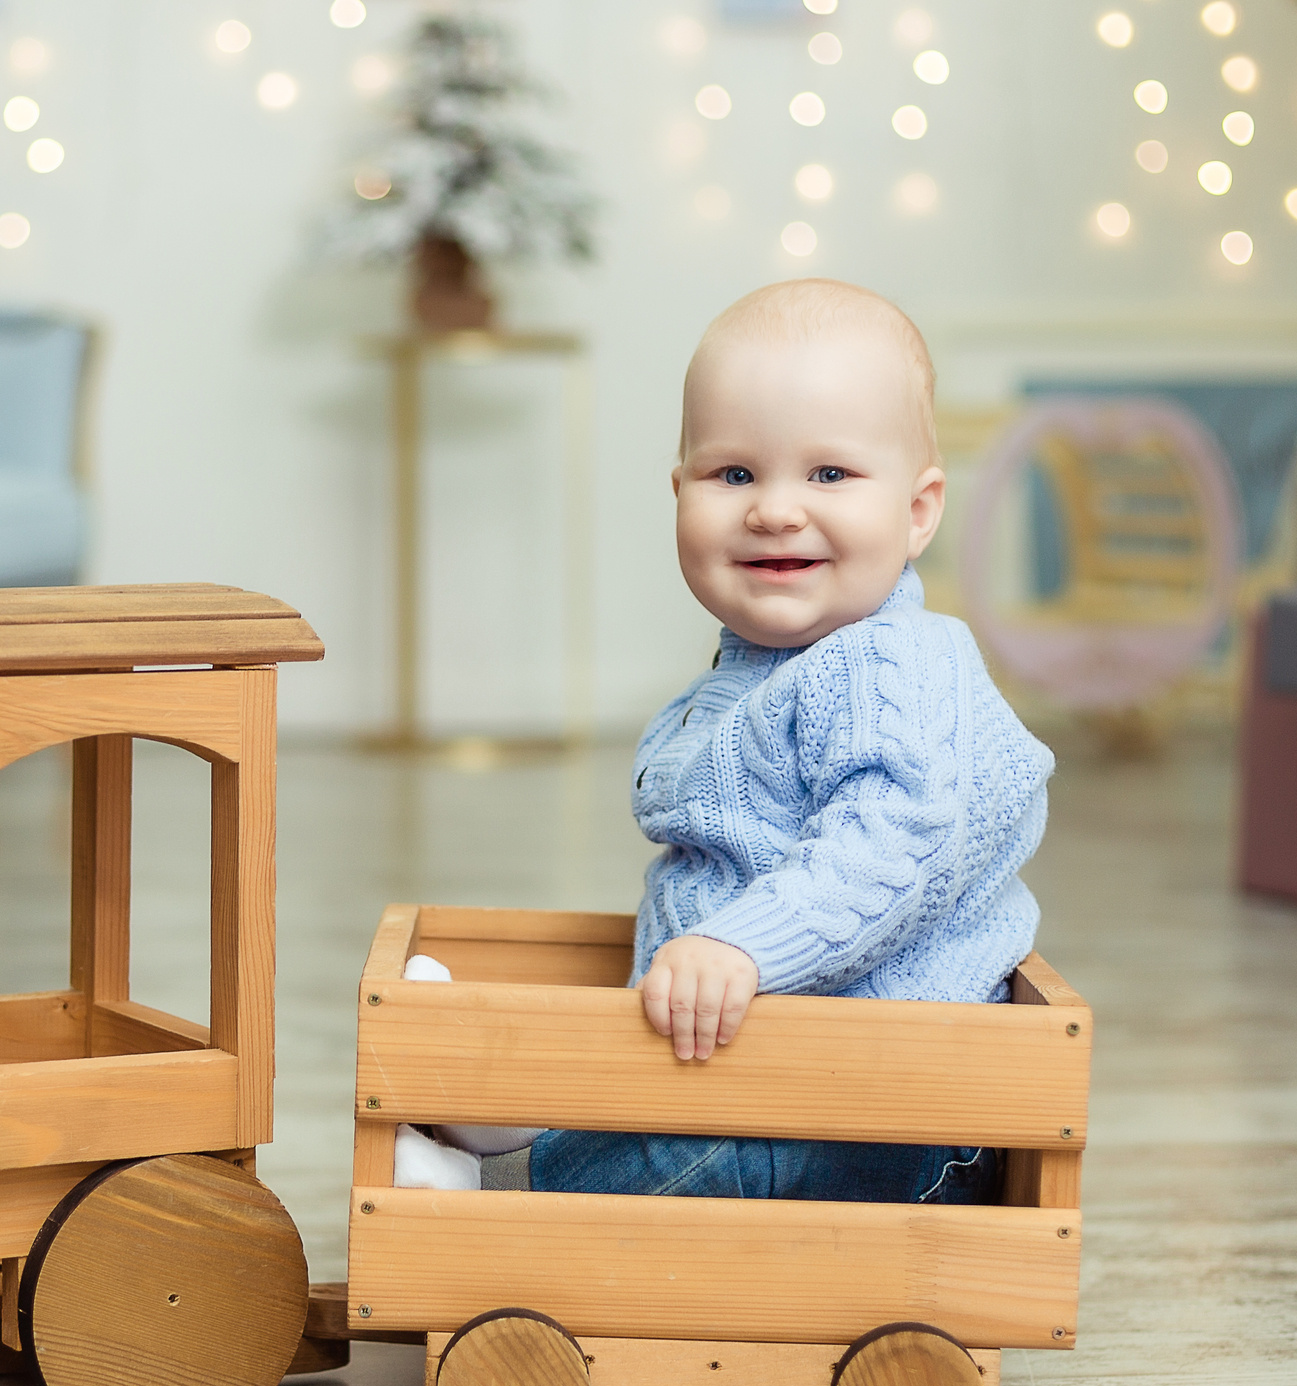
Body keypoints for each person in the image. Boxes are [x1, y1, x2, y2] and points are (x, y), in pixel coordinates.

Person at [394, 278, 1053, 1203]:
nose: (775, 509)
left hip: (879, 1119)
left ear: (917, 510)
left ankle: (499, 1187)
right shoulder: (757, 666)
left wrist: (745, 945)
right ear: (680, 492)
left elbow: (896, 842)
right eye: (734, 473)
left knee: (698, 1157)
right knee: (672, 1097)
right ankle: (529, 1112)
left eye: (830, 474)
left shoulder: (888, 665)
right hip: (758, 1065)